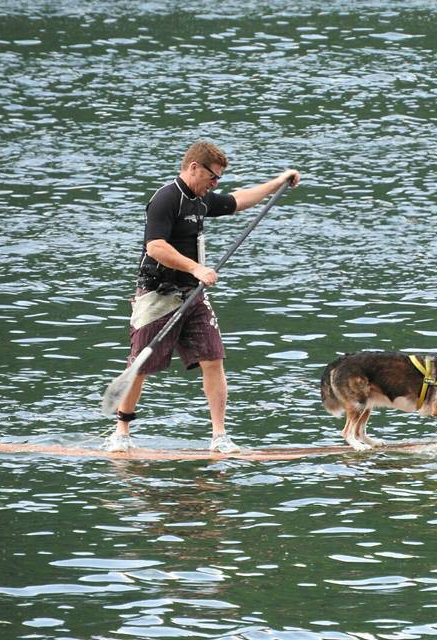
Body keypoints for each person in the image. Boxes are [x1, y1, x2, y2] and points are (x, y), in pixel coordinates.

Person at [106, 141, 301, 452]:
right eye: (213, 178)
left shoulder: (202, 200)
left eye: (218, 180)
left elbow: (237, 201)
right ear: (194, 167)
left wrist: (278, 182)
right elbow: (154, 246)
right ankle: (121, 433)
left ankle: (219, 437)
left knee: (214, 359)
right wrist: (196, 267)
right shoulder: (165, 199)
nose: (215, 185)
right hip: (157, 294)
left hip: (192, 295)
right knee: (140, 365)